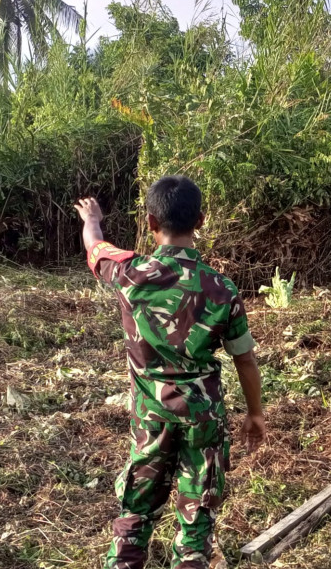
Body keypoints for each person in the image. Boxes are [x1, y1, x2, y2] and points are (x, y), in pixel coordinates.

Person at [74, 175, 265, 569]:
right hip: (203, 418)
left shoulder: (130, 275)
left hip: (150, 417)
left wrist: (92, 219)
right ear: (201, 220)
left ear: (149, 223)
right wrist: (255, 413)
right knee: (196, 524)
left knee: (135, 516)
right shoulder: (221, 289)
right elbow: (244, 359)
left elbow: (96, 249)